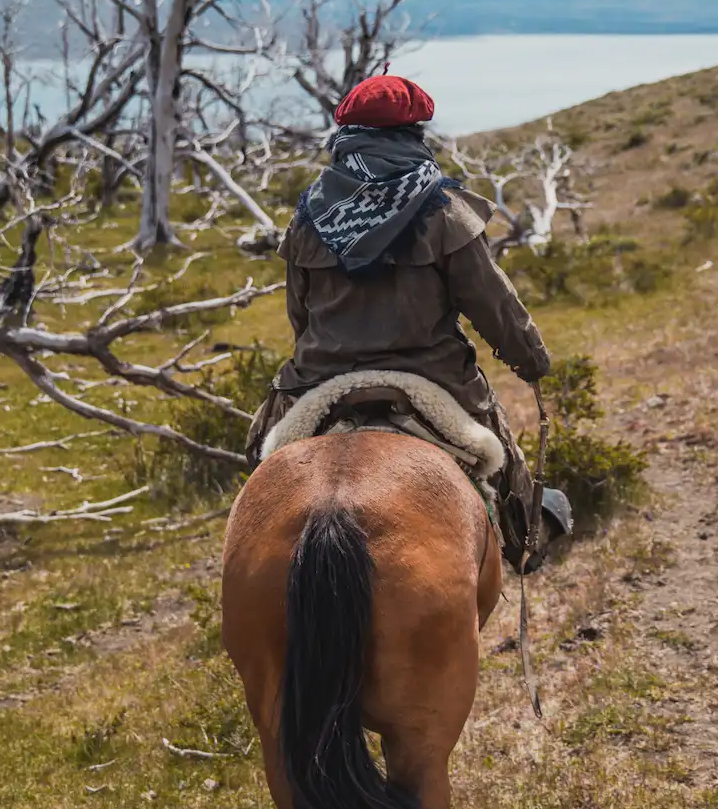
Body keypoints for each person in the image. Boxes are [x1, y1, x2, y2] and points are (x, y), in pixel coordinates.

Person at [245, 71, 572, 570]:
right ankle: (524, 539)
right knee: (500, 451)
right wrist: (531, 359)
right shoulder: (444, 210)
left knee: (260, 457)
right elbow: (494, 304)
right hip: (434, 378)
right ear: (413, 135)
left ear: (348, 137)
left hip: (323, 376)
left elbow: (299, 314)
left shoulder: (311, 215)